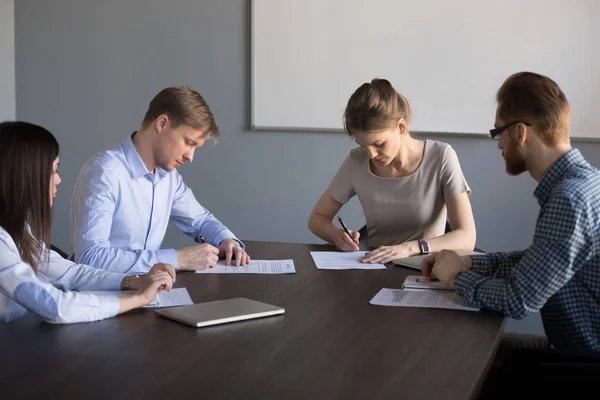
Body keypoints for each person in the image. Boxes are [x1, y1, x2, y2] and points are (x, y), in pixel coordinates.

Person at [421, 71, 600, 353]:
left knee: (467, 354)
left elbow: (518, 301)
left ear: (520, 131)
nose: (499, 145)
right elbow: (537, 263)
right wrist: (470, 263)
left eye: (497, 132)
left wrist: (456, 278)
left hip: (583, 364)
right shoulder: (588, 183)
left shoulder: (569, 199)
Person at [0, 121, 175, 324]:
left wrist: (135, 282)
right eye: (53, 171)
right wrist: (138, 299)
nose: (58, 180)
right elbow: (56, 307)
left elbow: (70, 273)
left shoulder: (18, 228)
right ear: (25, 175)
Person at [71, 86, 250, 274]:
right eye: (189, 143)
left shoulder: (168, 178)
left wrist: (226, 241)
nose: (190, 156)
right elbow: (90, 257)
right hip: (104, 297)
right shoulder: (105, 172)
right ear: (162, 124)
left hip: (147, 291)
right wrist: (178, 259)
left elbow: (200, 222)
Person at [308, 78, 476, 263]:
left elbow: (466, 238)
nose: (371, 154)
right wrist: (335, 235)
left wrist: (408, 248)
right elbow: (317, 218)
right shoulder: (355, 161)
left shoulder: (441, 156)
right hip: (375, 267)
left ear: (401, 127)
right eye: (363, 146)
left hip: (427, 269)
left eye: (378, 144)